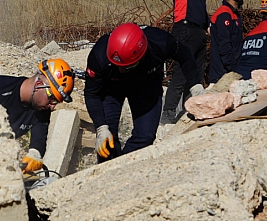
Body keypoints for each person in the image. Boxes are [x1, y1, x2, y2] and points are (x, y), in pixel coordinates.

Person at [85, 23, 202, 163]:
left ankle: (125, 167)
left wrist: (196, 86)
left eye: (126, 67)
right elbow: (92, 94)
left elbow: (185, 55)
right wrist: (101, 127)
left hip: (146, 83)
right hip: (112, 87)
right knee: (107, 139)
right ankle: (105, 174)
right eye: (118, 66)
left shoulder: (160, 42)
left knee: (145, 136)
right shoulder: (99, 55)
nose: (122, 70)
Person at [0, 58, 75, 173]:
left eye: (56, 102)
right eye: (52, 99)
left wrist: (34, 154)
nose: (53, 106)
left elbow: (39, 138)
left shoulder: (40, 108)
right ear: (39, 84)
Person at [208, 0, 249, 83]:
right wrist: (233, 70)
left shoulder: (232, 13)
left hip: (228, 74)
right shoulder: (224, 15)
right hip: (223, 77)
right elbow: (225, 45)